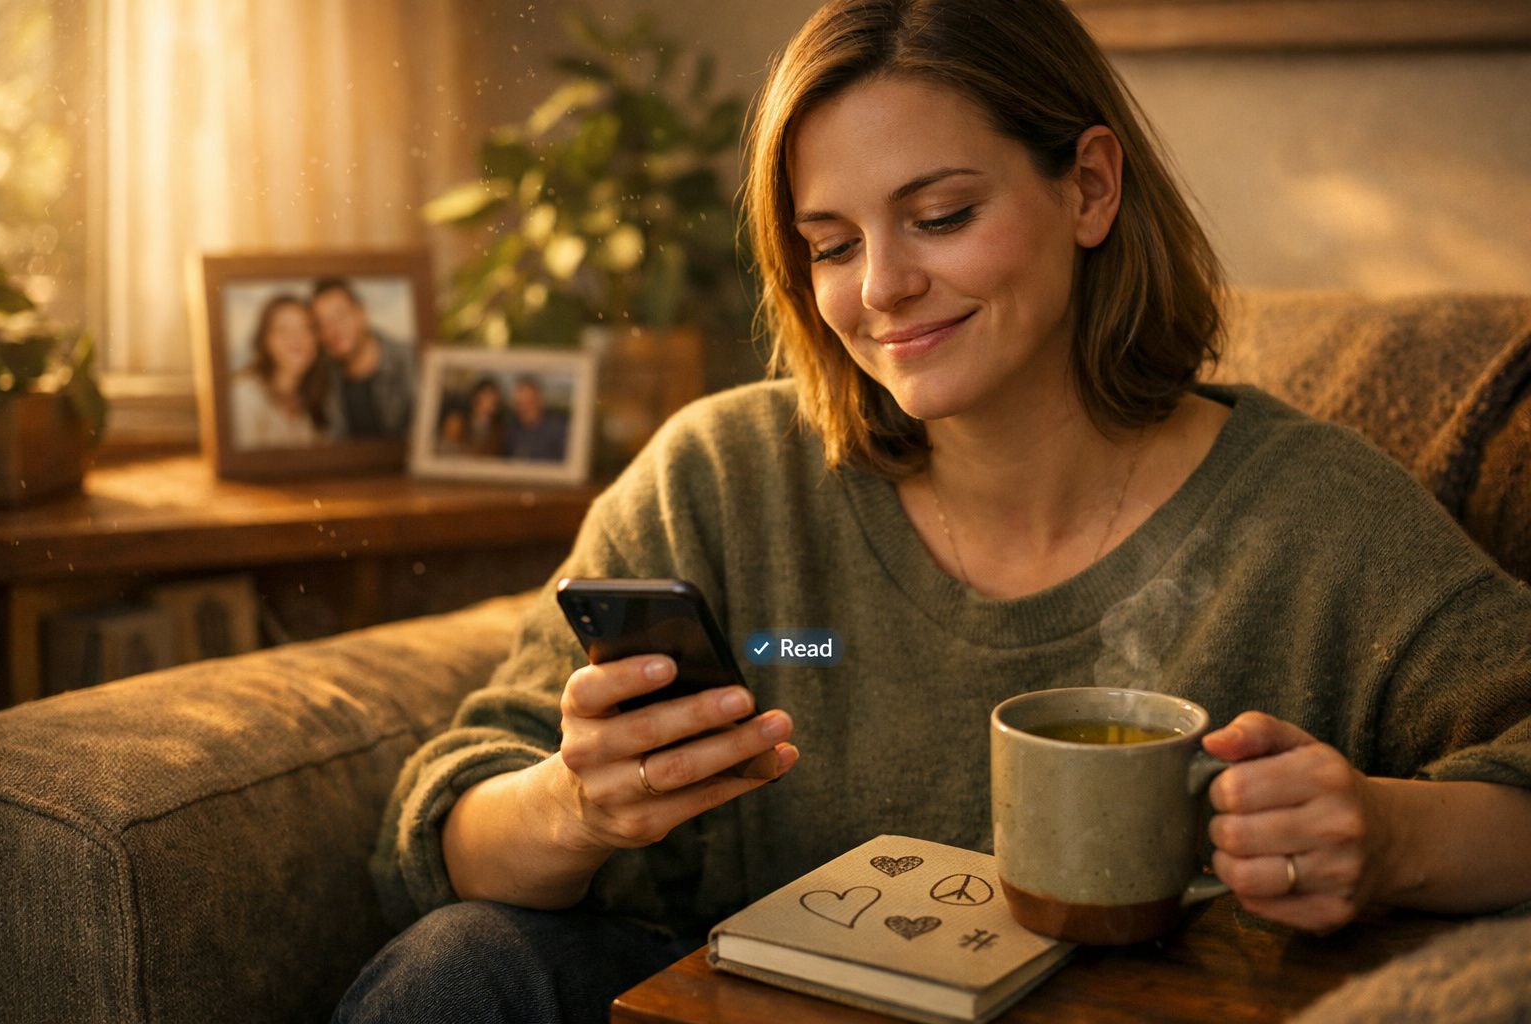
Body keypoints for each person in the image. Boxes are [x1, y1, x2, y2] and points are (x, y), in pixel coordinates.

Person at [335, 1, 1531, 1020]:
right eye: (832, 243)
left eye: (942, 216)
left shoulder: (1307, 517)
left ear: (1092, 188)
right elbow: (439, 832)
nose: (881, 289)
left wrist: (1389, 835)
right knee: (460, 969)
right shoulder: (720, 478)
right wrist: (575, 803)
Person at [311, 277, 415, 440]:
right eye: (323, 323)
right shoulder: (324, 378)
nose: (333, 329)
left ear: (361, 313)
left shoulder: (410, 360)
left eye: (340, 316)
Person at [230, 294, 329, 450]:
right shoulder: (244, 396)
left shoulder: (319, 398)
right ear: (266, 340)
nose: (297, 338)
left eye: (306, 328)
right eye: (283, 329)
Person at [501, 374, 570, 461]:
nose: (524, 409)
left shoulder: (558, 428)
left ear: (540, 401)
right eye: (519, 404)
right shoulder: (512, 430)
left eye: (529, 402)